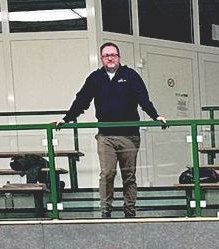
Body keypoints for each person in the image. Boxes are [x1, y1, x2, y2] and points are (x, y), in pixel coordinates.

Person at [61, 41, 162, 220]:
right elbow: (82, 99)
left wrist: (156, 116)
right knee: (107, 173)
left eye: (113, 55)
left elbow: (143, 98)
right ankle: (105, 212)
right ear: (102, 58)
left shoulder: (130, 75)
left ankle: (129, 212)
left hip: (129, 135)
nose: (110, 58)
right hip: (106, 136)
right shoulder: (95, 78)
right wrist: (67, 118)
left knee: (129, 176)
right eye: (106, 55)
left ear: (119, 57)